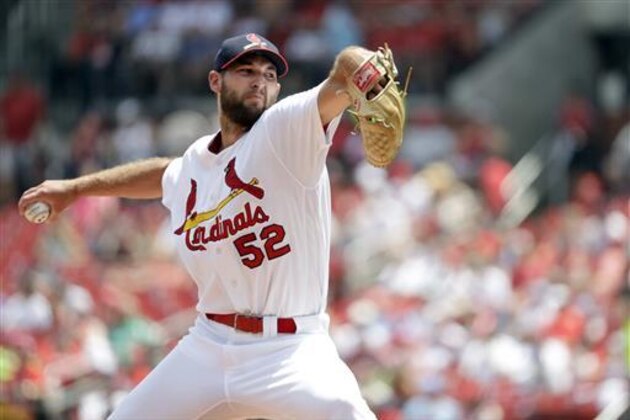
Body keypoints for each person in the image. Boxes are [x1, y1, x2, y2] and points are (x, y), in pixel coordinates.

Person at [19, 33, 382, 419]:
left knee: (347, 412)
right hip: (209, 345)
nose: (260, 80)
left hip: (290, 351)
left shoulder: (285, 130)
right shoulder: (196, 162)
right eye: (245, 70)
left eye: (270, 74)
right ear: (216, 81)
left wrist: (363, 68)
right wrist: (75, 189)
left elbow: (342, 75)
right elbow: (165, 174)